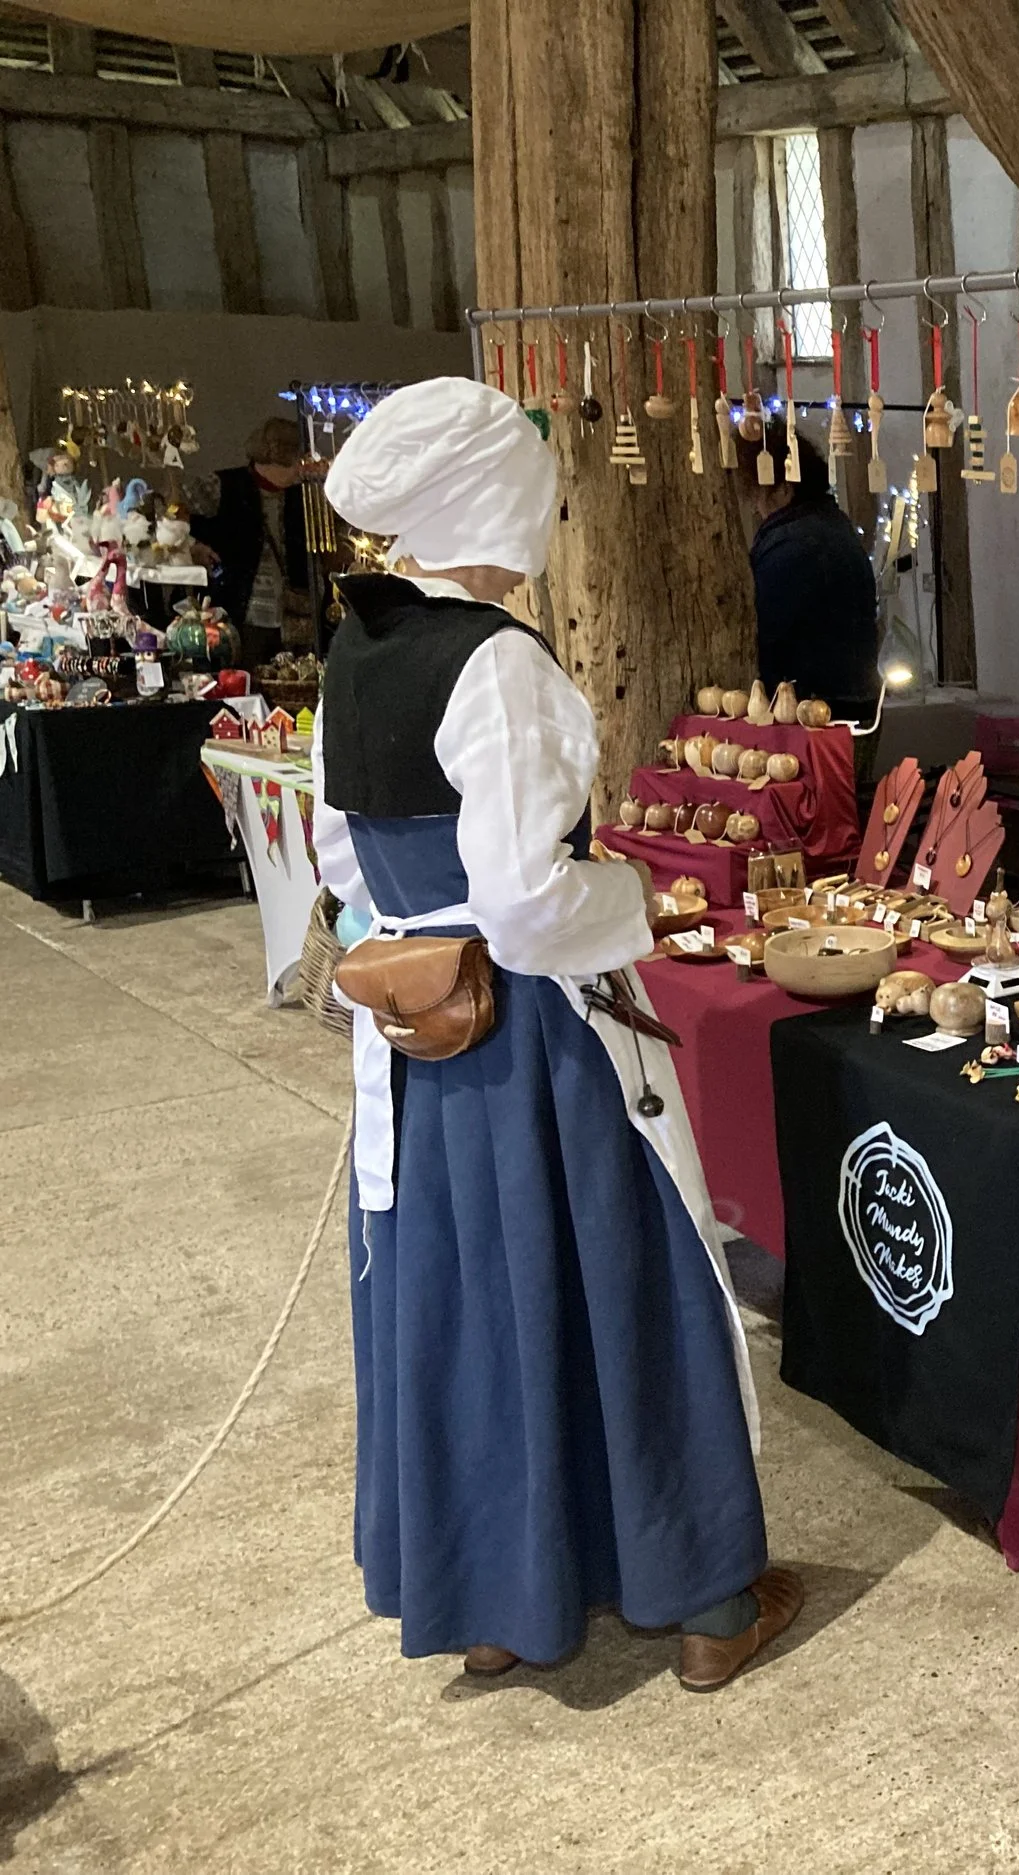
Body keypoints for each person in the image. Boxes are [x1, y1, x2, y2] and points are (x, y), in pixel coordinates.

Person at [311, 377, 799, 1688]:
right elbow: (530, 903)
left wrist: (415, 934)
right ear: (498, 502)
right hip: (538, 1042)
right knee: (627, 1284)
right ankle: (703, 1601)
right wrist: (637, 896)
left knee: (469, 1307)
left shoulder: (356, 648)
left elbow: (338, 853)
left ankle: (495, 1600)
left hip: (422, 1057)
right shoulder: (498, 663)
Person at [744, 419, 880, 728]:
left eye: (759, 492)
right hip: (855, 699)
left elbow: (764, 631)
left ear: (785, 489)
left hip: (815, 709)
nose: (755, 507)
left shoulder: (795, 544)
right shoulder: (833, 526)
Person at [186, 417, 317, 668]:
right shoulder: (222, 485)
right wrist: (192, 546)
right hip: (239, 612)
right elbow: (171, 514)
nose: (300, 470)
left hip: (292, 620)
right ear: (277, 458)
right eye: (296, 462)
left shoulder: (301, 497)